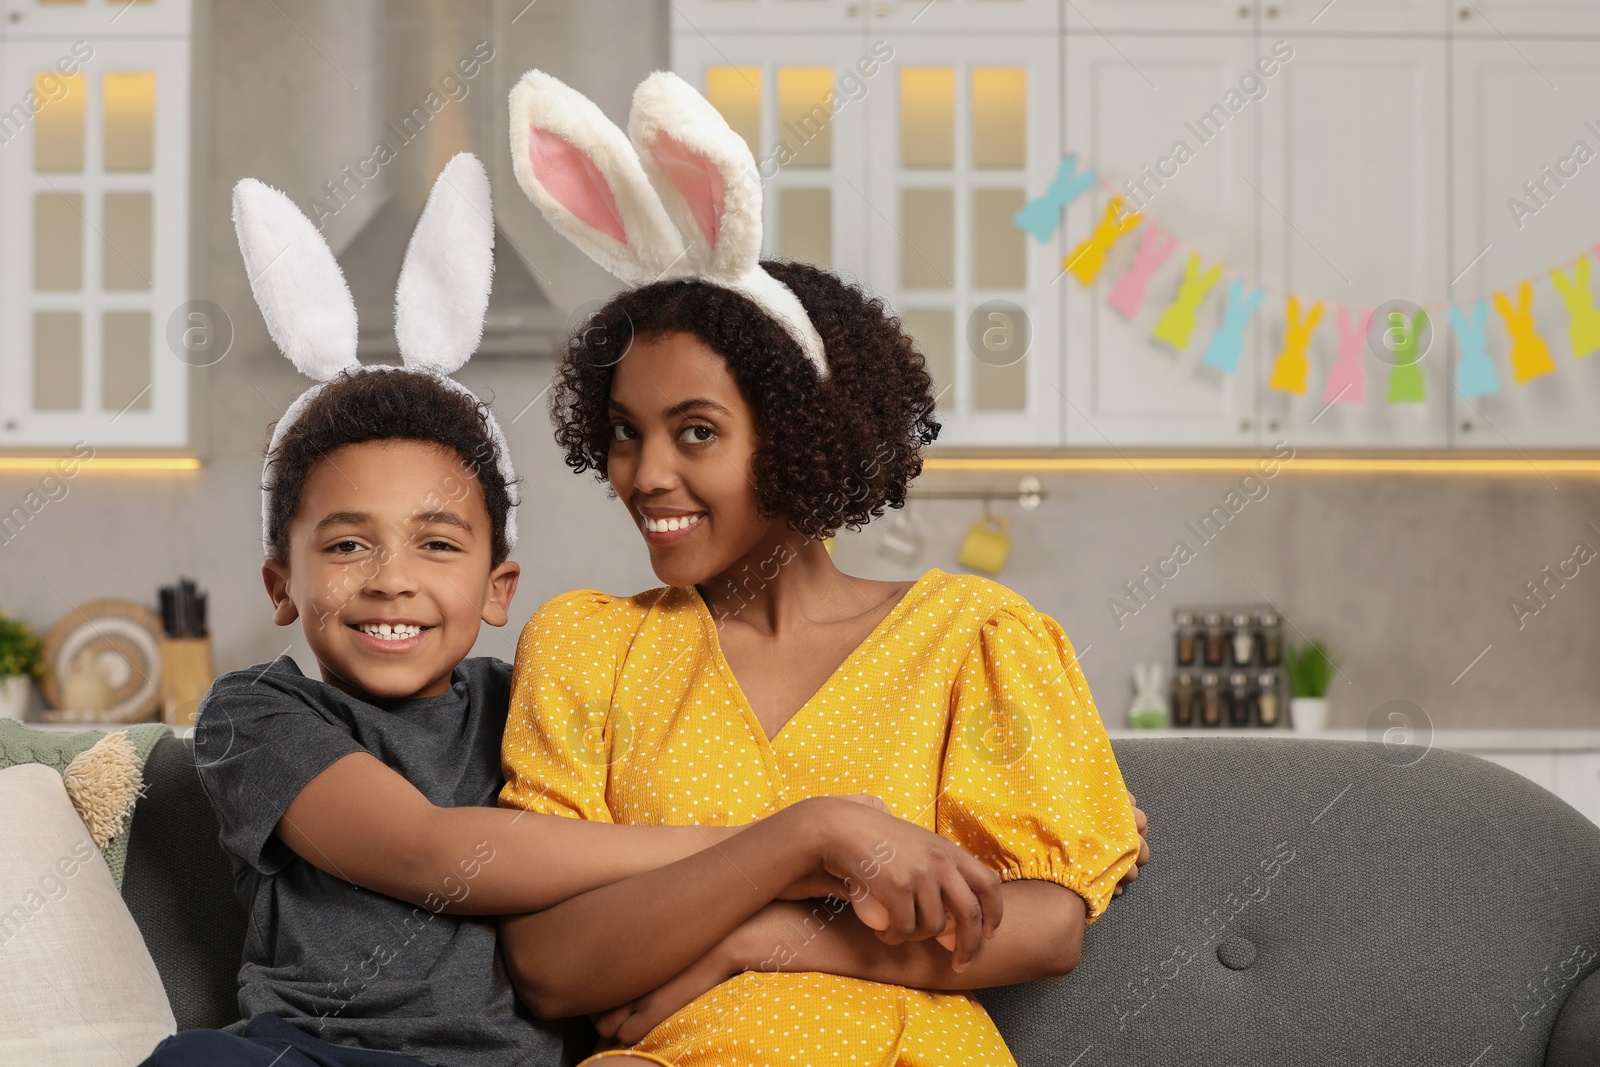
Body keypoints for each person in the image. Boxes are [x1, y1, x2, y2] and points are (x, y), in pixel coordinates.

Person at [142, 156, 969, 1067]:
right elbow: (431, 853)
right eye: (345, 545)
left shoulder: (544, 693)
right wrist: (786, 847)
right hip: (318, 1053)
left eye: (438, 543)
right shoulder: (256, 713)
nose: (389, 579)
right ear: (279, 585)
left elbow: (678, 795)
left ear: (500, 588)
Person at [492, 69, 1152, 1066]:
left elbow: (1048, 924)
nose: (645, 473)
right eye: (625, 433)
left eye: (697, 431)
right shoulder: (589, 647)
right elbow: (548, 963)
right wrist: (807, 838)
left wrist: (756, 937)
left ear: (802, 435)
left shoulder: (971, 637)